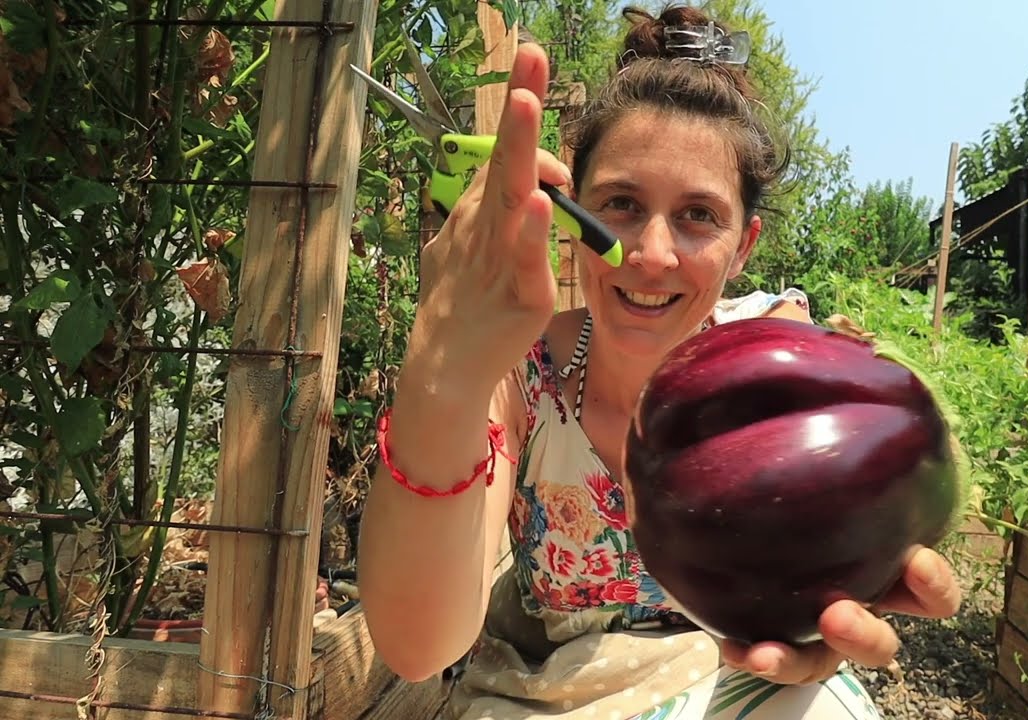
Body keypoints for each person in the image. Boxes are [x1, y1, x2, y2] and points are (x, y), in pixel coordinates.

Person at [358, 6, 964, 719]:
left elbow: (865, 470)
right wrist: (442, 369)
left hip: (730, 680)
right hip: (539, 696)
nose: (650, 253)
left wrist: (847, 578)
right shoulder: (515, 372)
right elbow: (418, 648)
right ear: (570, 212)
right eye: (619, 203)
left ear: (744, 245)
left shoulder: (774, 357)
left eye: (699, 216)